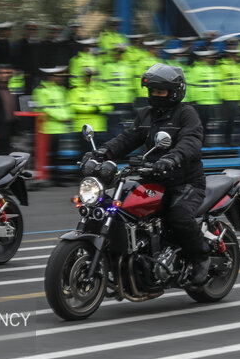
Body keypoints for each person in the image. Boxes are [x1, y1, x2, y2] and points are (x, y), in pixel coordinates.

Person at [86, 63, 211, 285]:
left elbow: (191, 142)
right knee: (117, 210)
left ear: (175, 92)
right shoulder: (146, 115)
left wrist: (172, 158)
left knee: (179, 217)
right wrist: (102, 153)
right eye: (152, 91)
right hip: (153, 179)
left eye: (160, 91)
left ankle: (201, 257)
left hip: (185, 182)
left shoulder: (186, 114)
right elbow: (128, 138)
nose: (154, 95)